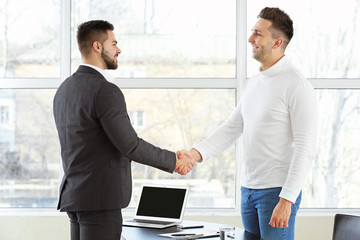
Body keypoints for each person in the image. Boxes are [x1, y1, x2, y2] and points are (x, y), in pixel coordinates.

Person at [178, 7, 317, 240]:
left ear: (277, 42)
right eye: (252, 32)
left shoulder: (297, 85)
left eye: (258, 34)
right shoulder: (254, 83)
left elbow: (306, 148)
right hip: (248, 190)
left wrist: (287, 199)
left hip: (276, 193)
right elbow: (232, 127)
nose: (250, 39)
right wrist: (193, 154)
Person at [53, 20, 194, 240]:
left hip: (76, 196)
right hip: (100, 199)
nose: (119, 50)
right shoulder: (105, 90)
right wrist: (173, 160)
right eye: (114, 43)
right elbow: (130, 144)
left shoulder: (65, 89)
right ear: (97, 47)